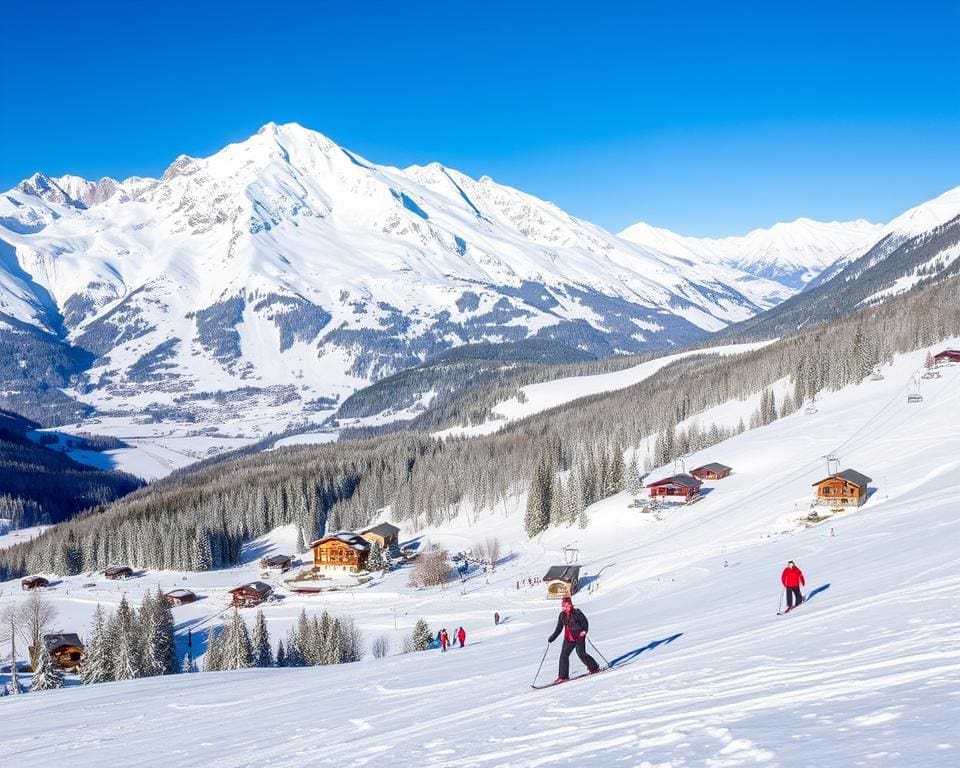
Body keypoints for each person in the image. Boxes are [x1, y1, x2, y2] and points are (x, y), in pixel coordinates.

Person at [547, 595, 599, 682]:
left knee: (581, 654)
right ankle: (563, 676)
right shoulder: (562, 615)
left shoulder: (577, 613)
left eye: (568, 605)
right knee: (564, 655)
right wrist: (552, 638)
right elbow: (559, 628)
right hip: (569, 638)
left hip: (579, 637)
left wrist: (584, 631)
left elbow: (585, 623)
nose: (566, 607)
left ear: (571, 605)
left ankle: (594, 667)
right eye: (564, 606)